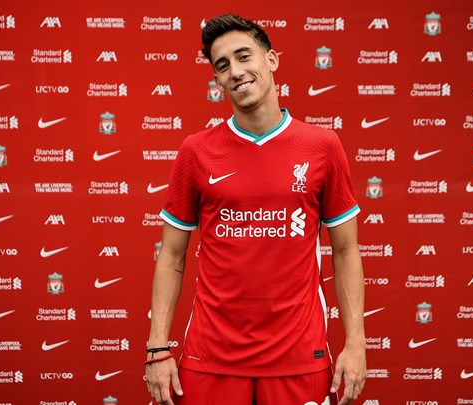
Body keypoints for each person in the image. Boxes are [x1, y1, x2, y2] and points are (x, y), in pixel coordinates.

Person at [145, 14, 366, 405]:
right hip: (210, 357)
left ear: (272, 60)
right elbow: (172, 257)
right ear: (217, 80)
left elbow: (346, 251)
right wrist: (157, 348)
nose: (235, 71)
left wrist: (356, 344)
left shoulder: (323, 146)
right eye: (223, 65)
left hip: (299, 357)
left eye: (244, 56)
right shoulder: (196, 151)